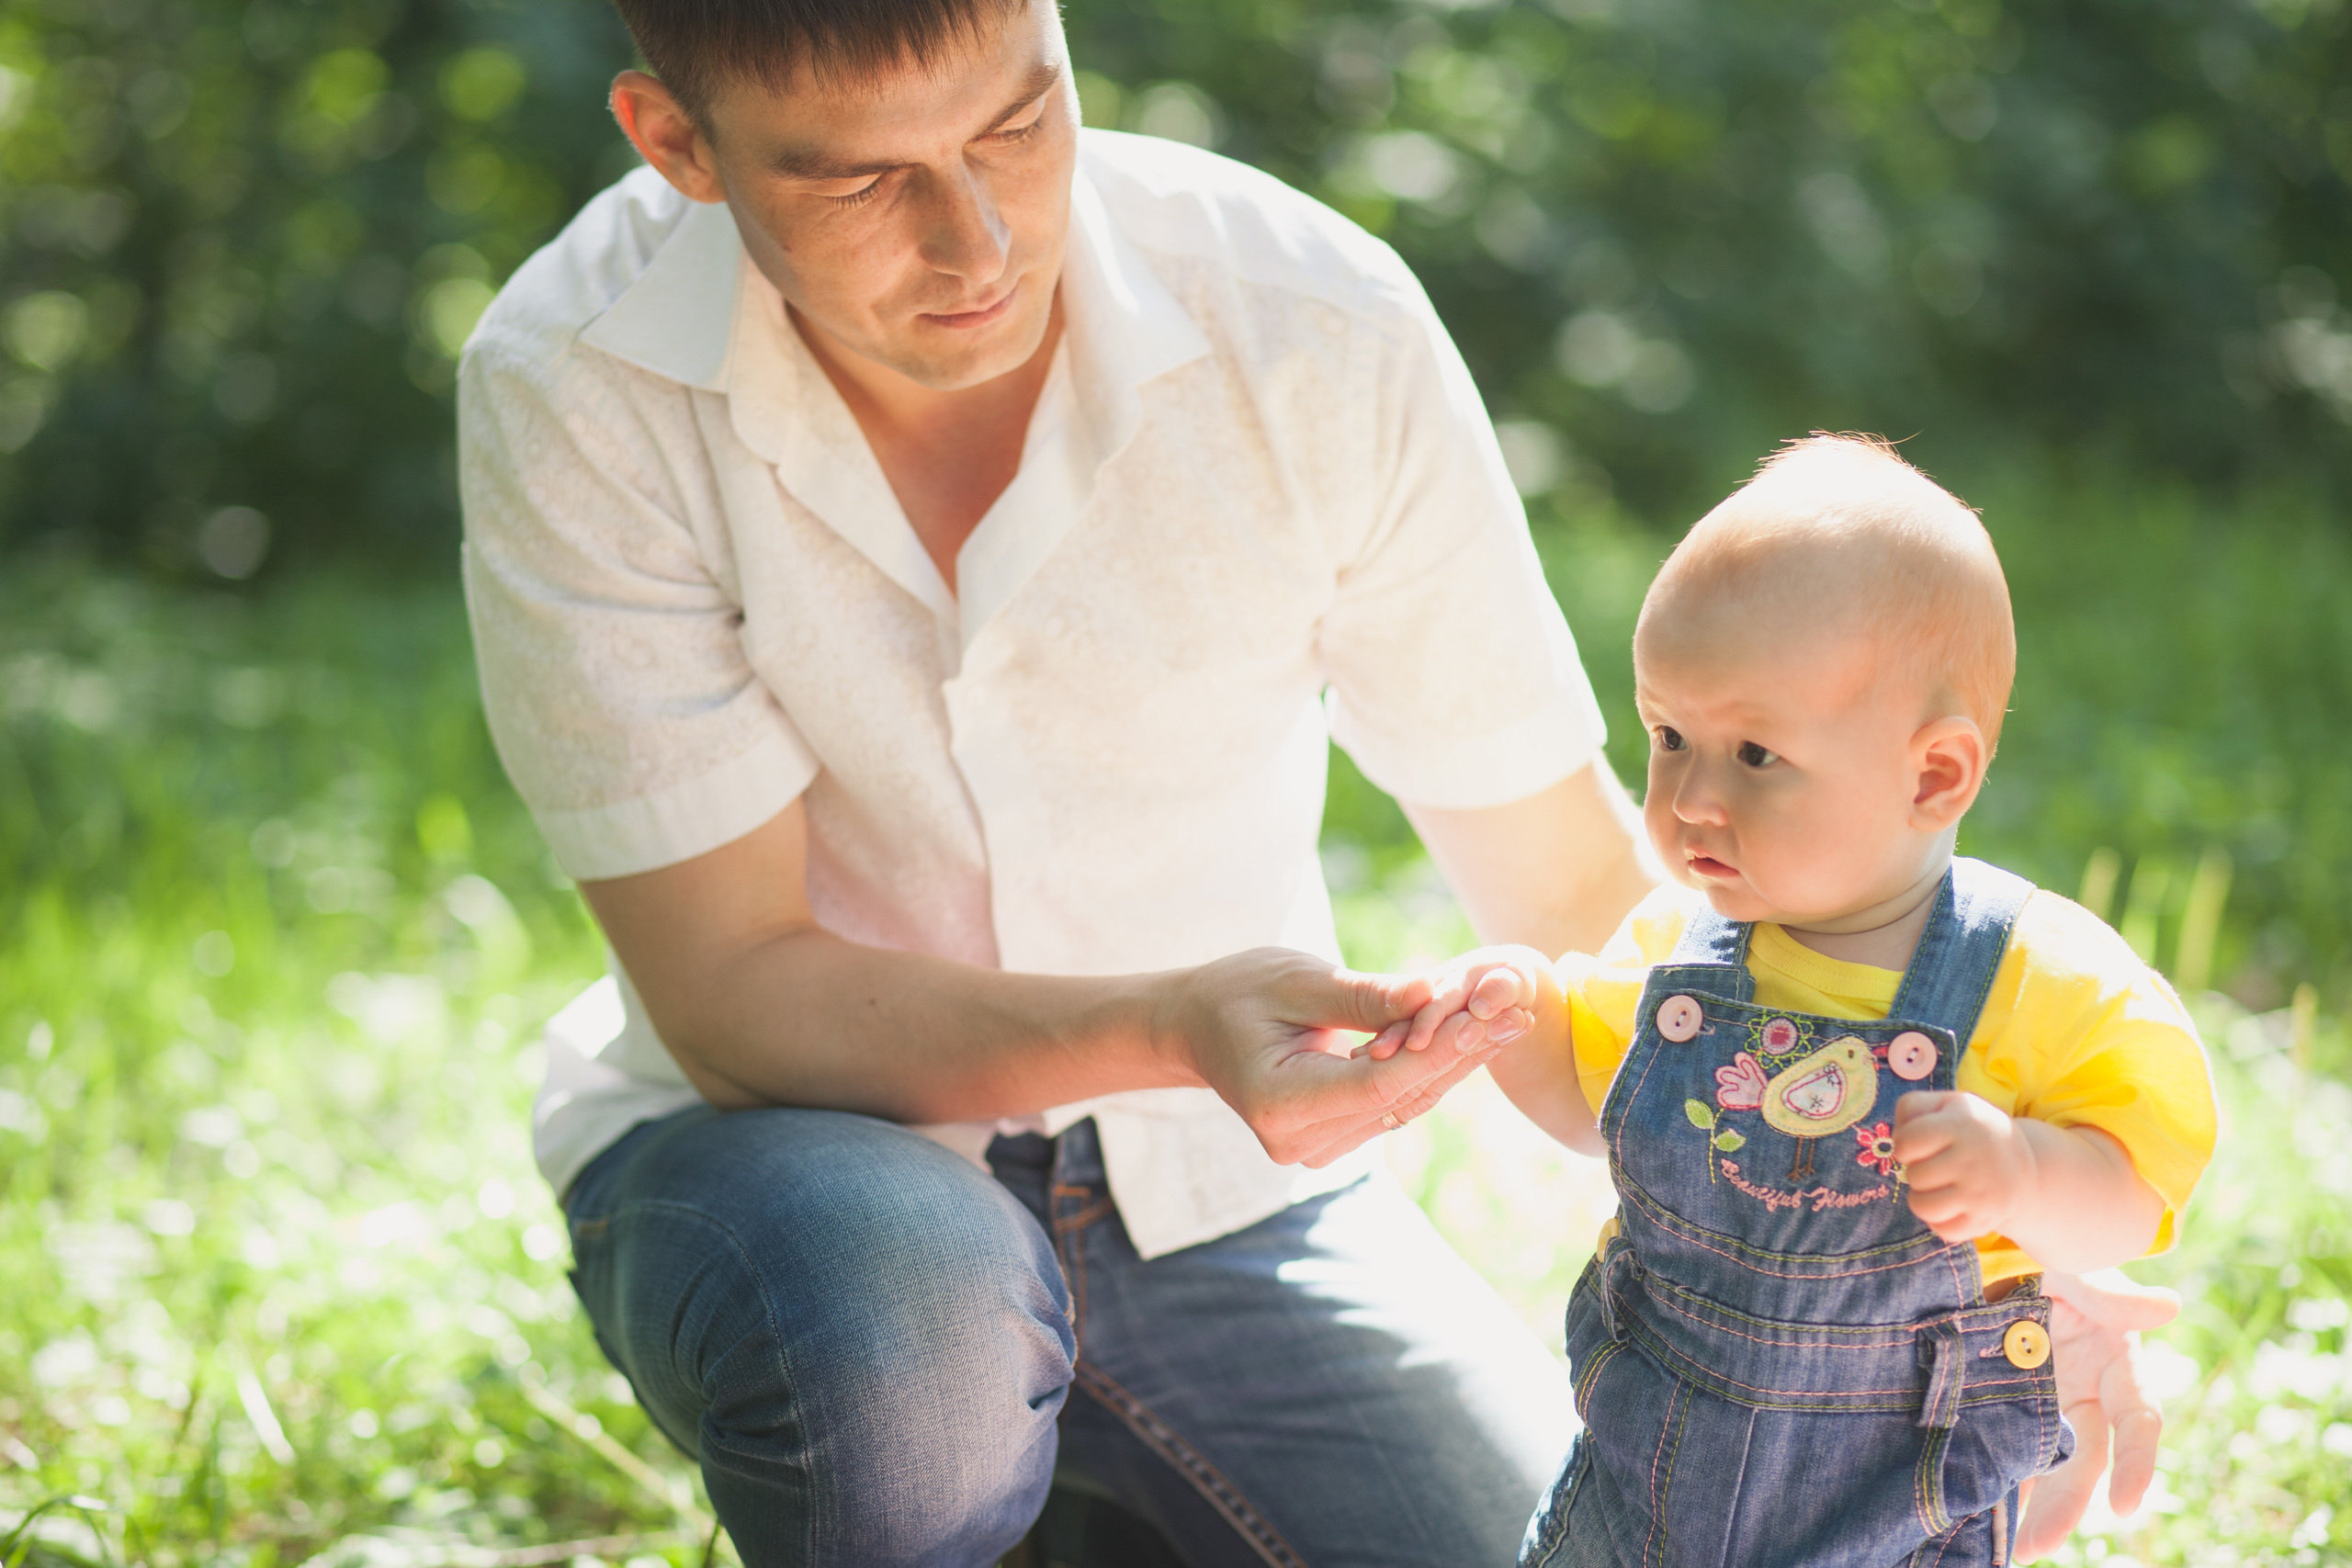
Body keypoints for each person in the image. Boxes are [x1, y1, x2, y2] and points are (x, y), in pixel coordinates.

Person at [455, 0, 2177, 1553]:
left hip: (1233, 1197)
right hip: (803, 1169)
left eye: (1018, 121)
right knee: (904, 1338)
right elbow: (736, 997)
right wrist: (1174, 1023)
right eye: (859, 181)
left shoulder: (1308, 320)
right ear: (677, 143)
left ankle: (1077, 1502)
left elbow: (1581, 890)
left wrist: (1949, 1262)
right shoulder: (577, 380)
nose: (976, 238)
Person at [1391, 436, 2216, 1565]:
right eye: (1668, 737)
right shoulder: (1677, 957)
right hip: (1646, 1475)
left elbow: (2133, 1195)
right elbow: (1592, 1111)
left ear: (1933, 774)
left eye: (1754, 755)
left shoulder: (2041, 978)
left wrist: (2025, 1175)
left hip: (1893, 1502)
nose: (1691, 796)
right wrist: (1512, 1008)